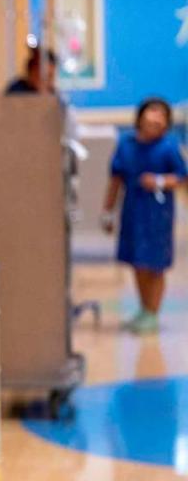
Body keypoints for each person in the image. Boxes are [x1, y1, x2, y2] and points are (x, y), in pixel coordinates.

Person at [101, 97, 187, 334]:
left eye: (162, 115)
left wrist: (159, 180)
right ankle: (143, 308)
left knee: (155, 264)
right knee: (137, 261)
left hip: (158, 214)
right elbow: (116, 179)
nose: (156, 118)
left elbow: (182, 176)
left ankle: (153, 312)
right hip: (132, 211)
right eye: (152, 112)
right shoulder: (126, 144)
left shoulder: (168, 147)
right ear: (141, 116)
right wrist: (107, 211)